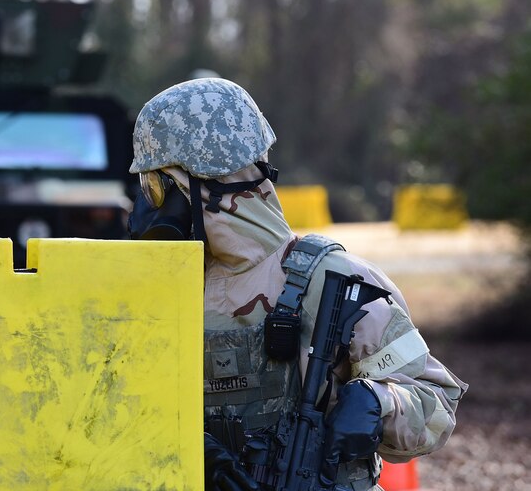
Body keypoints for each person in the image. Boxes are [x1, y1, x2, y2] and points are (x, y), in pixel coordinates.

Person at [127, 78, 467, 491]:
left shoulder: (335, 281)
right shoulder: (158, 292)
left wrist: (381, 403)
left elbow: (437, 403)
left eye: (155, 187)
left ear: (197, 183)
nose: (146, 206)